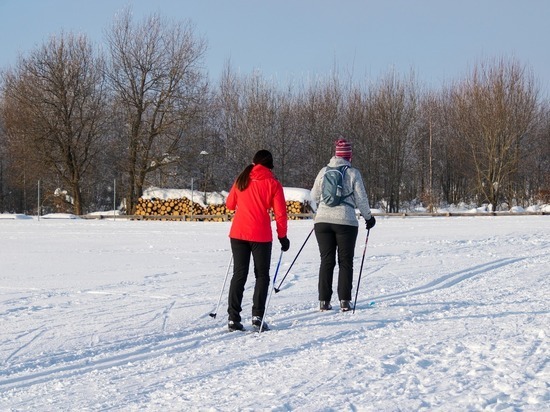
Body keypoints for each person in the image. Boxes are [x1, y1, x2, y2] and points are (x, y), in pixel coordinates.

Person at [225, 150, 290, 332]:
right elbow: (280, 214)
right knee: (261, 275)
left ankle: (233, 318)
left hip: (238, 233)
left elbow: (230, 204)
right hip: (260, 235)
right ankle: (257, 316)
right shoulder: (273, 183)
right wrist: (282, 236)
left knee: (239, 274)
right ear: (269, 165)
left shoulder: (242, 179)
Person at [310, 138, 376, 312]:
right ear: (349, 156)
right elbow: (361, 199)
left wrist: (322, 211)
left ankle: (324, 302)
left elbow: (313, 196)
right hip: (346, 221)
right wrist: (368, 217)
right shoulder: (353, 173)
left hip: (322, 222)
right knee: (345, 262)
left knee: (326, 261)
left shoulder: (323, 171)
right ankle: (345, 301)